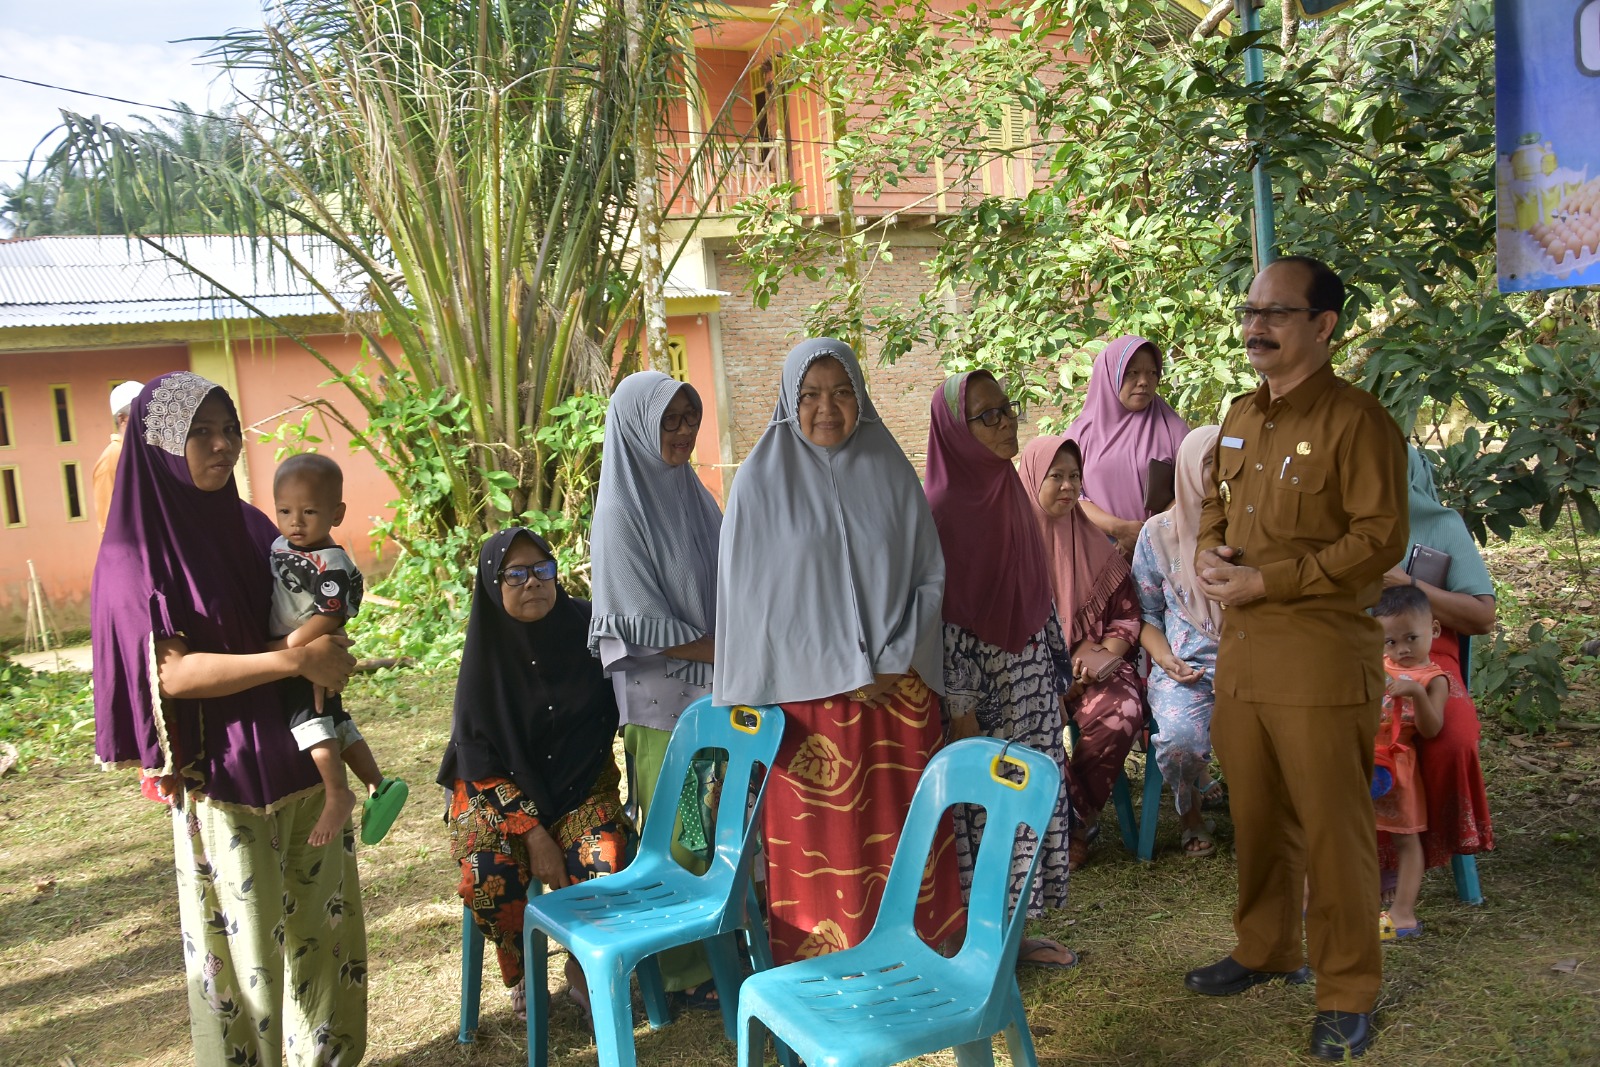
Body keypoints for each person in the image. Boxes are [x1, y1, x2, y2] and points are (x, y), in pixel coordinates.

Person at [92, 371, 365, 1065]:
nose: (223, 446)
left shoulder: (253, 525)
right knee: (247, 968)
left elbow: (291, 624)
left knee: (325, 944)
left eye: (230, 429)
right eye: (201, 433)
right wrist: (293, 664)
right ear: (157, 444)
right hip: (223, 781)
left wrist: (320, 648)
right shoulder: (138, 552)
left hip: (302, 760)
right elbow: (174, 673)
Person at [1187, 255, 1408, 1062]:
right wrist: (1210, 555)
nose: (1257, 327)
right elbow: (1215, 499)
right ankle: (1265, 947)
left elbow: (1379, 539)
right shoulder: (1242, 414)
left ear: (1324, 325)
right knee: (1256, 814)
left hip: (1319, 660)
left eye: (1277, 313)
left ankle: (1348, 990)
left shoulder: (1359, 422)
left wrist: (1266, 579)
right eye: (1251, 311)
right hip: (1242, 659)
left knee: (1332, 829)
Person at [713, 338, 964, 964]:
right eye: (811, 395)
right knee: (823, 847)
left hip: (896, 697)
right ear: (788, 403)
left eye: (842, 392)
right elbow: (749, 604)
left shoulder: (891, 471)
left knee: (905, 835)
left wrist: (893, 656)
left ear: (862, 397)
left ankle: (919, 963)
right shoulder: (757, 484)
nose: (828, 408)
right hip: (808, 710)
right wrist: (836, 665)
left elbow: (930, 576)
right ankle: (826, 979)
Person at [439, 528, 634, 1021]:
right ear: (492, 584)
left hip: (579, 784)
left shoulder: (589, 628)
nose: (533, 584)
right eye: (516, 575)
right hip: (495, 795)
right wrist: (532, 834)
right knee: (489, 875)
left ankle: (582, 968)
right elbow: (476, 758)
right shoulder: (486, 655)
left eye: (542, 570)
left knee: (604, 858)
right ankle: (522, 971)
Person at [924, 371, 1078, 969]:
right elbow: (950, 621)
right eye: (987, 416)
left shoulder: (1009, 490)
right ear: (956, 432)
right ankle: (986, 948)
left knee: (1029, 805)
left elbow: (1035, 593)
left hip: (1031, 681)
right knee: (989, 812)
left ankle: (1015, 936)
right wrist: (961, 713)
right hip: (982, 695)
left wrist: (1053, 677)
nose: (1005, 421)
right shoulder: (945, 510)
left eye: (1006, 409)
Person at [588, 370, 721, 1009]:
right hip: (663, 704)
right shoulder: (621, 508)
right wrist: (725, 649)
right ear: (635, 426)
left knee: (716, 823)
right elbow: (637, 622)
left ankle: (718, 942)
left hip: (717, 689)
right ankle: (681, 968)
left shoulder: (690, 492)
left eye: (688, 419)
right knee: (682, 831)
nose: (682, 432)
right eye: (668, 421)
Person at [1017, 433, 1145, 870]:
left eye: (1075, 476)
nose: (1069, 487)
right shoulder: (1010, 548)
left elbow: (1128, 616)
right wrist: (1051, 678)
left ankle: (1077, 820)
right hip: (1030, 672)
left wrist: (1102, 657)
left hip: (1091, 667)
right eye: (1057, 476)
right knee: (1031, 720)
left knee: (1122, 712)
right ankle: (1071, 826)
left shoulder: (1097, 547)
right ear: (1033, 477)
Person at [268, 452, 407, 848]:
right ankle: (378, 784)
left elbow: (330, 615)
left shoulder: (331, 562)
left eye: (309, 511)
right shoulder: (281, 543)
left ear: (337, 513)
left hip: (308, 656)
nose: (296, 521)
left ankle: (336, 792)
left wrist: (288, 648)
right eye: (284, 510)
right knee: (336, 721)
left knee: (309, 723)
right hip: (305, 657)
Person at [1378, 445, 1496, 874]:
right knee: (1345, 738)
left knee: (1453, 739)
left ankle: (1437, 846)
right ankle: (1360, 856)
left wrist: (1410, 584)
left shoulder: (1444, 527)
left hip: (1430, 664)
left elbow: (1482, 616)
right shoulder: (1341, 526)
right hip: (1362, 659)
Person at [1131, 424, 1224, 857]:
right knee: (1181, 739)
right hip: (1186, 669)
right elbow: (1145, 617)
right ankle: (1191, 813)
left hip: (1252, 662)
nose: (1222, 474)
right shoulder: (1156, 535)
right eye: (1210, 463)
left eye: (1229, 463)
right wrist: (1167, 661)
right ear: (1187, 469)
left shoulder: (1254, 528)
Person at [1370, 584, 1449, 941]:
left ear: (1433, 630)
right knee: (1354, 830)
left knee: (1407, 840)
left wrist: (1416, 691)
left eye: (1411, 638)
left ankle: (1403, 912)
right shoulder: (1377, 666)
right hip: (1367, 760)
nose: (1401, 649)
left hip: (1400, 765)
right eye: (1390, 641)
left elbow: (1432, 730)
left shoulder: (1433, 679)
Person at [1063, 336, 1190, 557]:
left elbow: (1192, 487)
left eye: (1152, 373)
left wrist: (1147, 535)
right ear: (1111, 375)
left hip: (1160, 554)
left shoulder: (1173, 429)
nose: (1144, 381)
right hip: (1097, 554)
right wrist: (1118, 529)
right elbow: (1072, 495)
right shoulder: (1081, 434)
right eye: (1133, 373)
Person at [93, 378, 144, 532]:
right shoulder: (112, 458)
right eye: (142, 413)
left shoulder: (144, 453)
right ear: (122, 419)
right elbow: (108, 523)